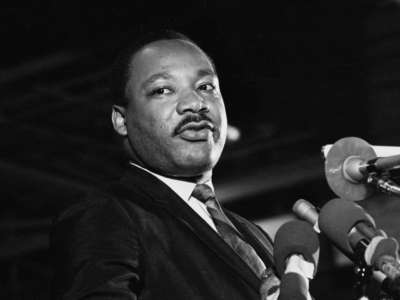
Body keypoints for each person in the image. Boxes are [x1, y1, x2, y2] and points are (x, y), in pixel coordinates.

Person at [51, 30, 285, 300]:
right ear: (121, 120)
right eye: (162, 90)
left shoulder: (253, 234)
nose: (195, 103)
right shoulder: (105, 215)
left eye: (205, 86)